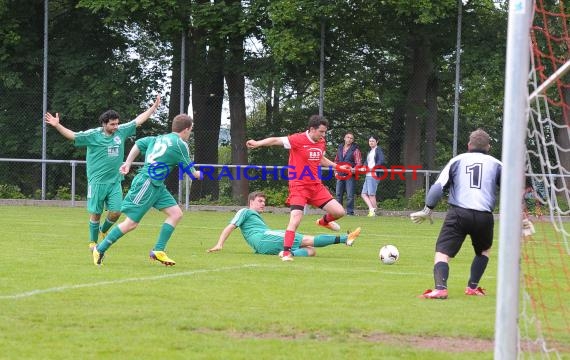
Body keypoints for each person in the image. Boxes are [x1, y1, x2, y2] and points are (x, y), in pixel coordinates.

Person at [45, 95, 161, 249]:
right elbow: (73, 136)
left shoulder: (120, 132)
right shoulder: (93, 135)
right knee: (96, 213)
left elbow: (138, 120)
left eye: (117, 124)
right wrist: (57, 125)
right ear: (104, 124)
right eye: (112, 124)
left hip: (115, 181)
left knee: (116, 212)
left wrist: (153, 108)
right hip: (97, 181)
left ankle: (103, 230)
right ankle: (92, 242)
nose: (116, 127)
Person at [92, 113, 201, 266]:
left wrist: (128, 162)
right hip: (147, 183)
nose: (190, 134)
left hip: (157, 185)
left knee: (176, 214)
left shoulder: (159, 138)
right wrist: (201, 174)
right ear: (186, 129)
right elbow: (193, 174)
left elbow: (138, 144)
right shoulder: (180, 144)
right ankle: (100, 248)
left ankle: (158, 250)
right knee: (131, 223)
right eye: (191, 130)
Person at [410, 129, 502, 299]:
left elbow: (437, 188)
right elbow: (513, 189)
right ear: (488, 147)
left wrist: (427, 210)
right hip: (484, 216)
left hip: (459, 214)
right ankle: (472, 288)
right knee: (484, 251)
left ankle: (440, 288)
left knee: (442, 253)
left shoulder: (457, 160)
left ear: (469, 145)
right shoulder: (497, 164)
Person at [246, 115, 350, 262]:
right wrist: (257, 143)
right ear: (312, 129)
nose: (323, 135)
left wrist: (338, 166)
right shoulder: (297, 139)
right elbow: (275, 140)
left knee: (339, 212)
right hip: (299, 186)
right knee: (296, 218)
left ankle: (323, 222)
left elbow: (320, 158)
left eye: (325, 132)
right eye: (321, 131)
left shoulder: (321, 142)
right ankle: (286, 252)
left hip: (316, 186)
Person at [207, 191, 361, 256]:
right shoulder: (245, 211)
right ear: (250, 202)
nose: (263, 204)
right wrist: (220, 244)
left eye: (264, 202)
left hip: (265, 241)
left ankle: (288, 253)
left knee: (311, 251)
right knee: (305, 238)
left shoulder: (253, 215)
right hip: (264, 238)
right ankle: (345, 238)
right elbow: (230, 226)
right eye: (260, 201)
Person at [334, 132, 362, 216]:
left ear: (353, 140)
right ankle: (338, 212)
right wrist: (335, 172)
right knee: (338, 194)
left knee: (350, 195)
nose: (349, 139)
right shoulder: (339, 148)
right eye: (348, 137)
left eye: (351, 138)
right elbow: (336, 161)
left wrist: (354, 169)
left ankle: (350, 212)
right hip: (340, 174)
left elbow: (359, 163)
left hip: (350, 175)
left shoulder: (355, 150)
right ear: (344, 138)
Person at [361, 135, 385, 217]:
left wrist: (373, 168)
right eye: (370, 141)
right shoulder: (370, 151)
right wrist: (364, 167)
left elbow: (381, 160)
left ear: (377, 142)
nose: (371, 142)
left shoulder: (378, 150)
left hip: (374, 175)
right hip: (368, 175)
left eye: (373, 141)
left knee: (371, 194)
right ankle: (372, 209)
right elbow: (366, 162)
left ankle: (373, 212)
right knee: (364, 194)